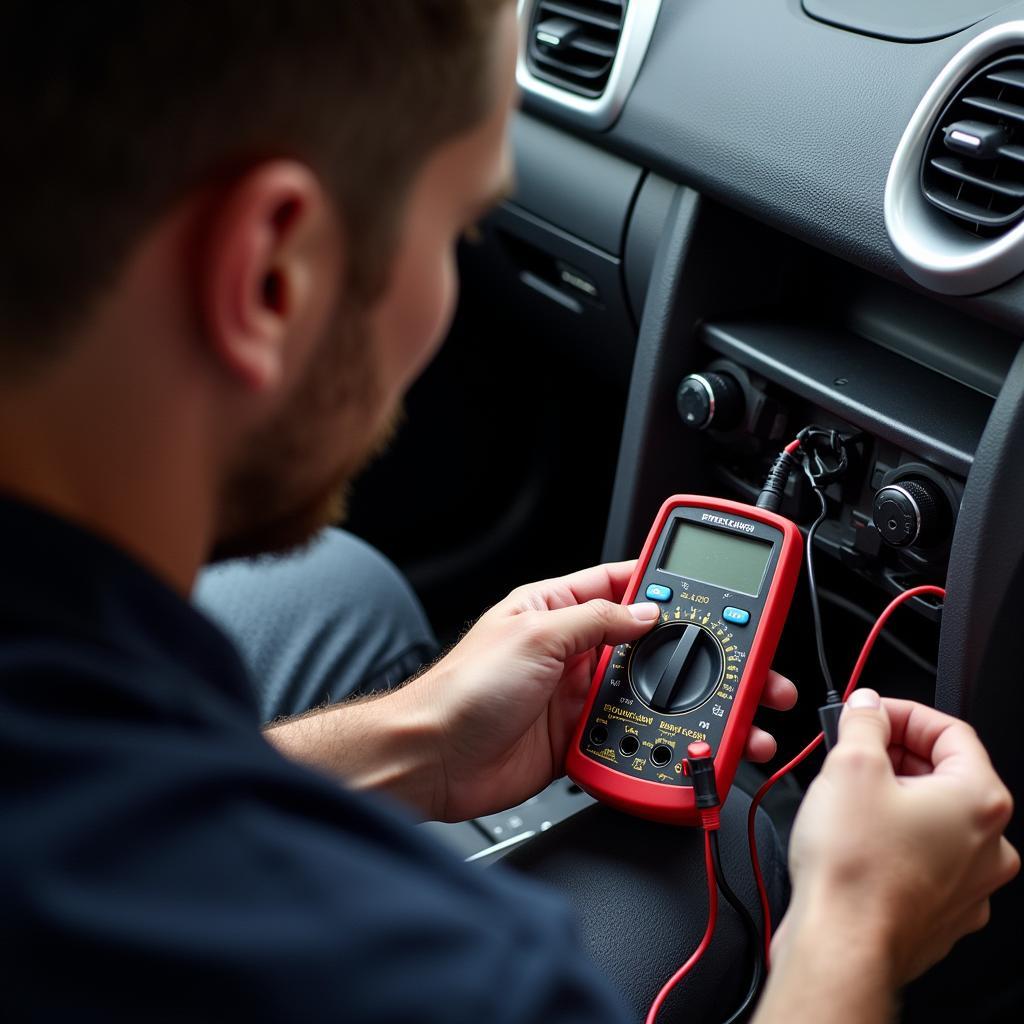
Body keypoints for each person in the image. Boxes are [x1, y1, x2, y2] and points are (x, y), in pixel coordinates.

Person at [0, 2, 1016, 1021]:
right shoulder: (471, 980)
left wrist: (413, 740)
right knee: (741, 852)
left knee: (332, 592)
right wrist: (857, 927)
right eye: (456, 229)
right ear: (270, 278)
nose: (447, 282)